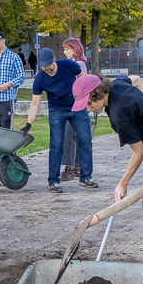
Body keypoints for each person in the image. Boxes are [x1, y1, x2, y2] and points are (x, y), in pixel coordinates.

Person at [81, 75, 143, 281]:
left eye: (89, 104)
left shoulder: (119, 113)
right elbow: (134, 79)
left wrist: (123, 182)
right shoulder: (116, 84)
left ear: (97, 94)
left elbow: (139, 151)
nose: (89, 109)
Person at [22, 47, 96, 192]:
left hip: (77, 108)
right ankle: (53, 181)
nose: (46, 68)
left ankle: (86, 177)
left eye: (48, 64)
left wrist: (86, 100)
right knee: (56, 145)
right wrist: (29, 123)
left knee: (85, 140)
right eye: (43, 65)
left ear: (54, 59)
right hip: (57, 111)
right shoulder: (40, 78)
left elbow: (84, 80)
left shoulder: (69, 65)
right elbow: (35, 103)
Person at [59, 38, 89, 181]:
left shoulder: (78, 64)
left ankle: (69, 168)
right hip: (76, 104)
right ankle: (77, 166)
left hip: (74, 104)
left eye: (67, 49)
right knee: (75, 136)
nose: (64, 52)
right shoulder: (79, 64)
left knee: (68, 136)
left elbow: (79, 85)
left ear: (74, 50)